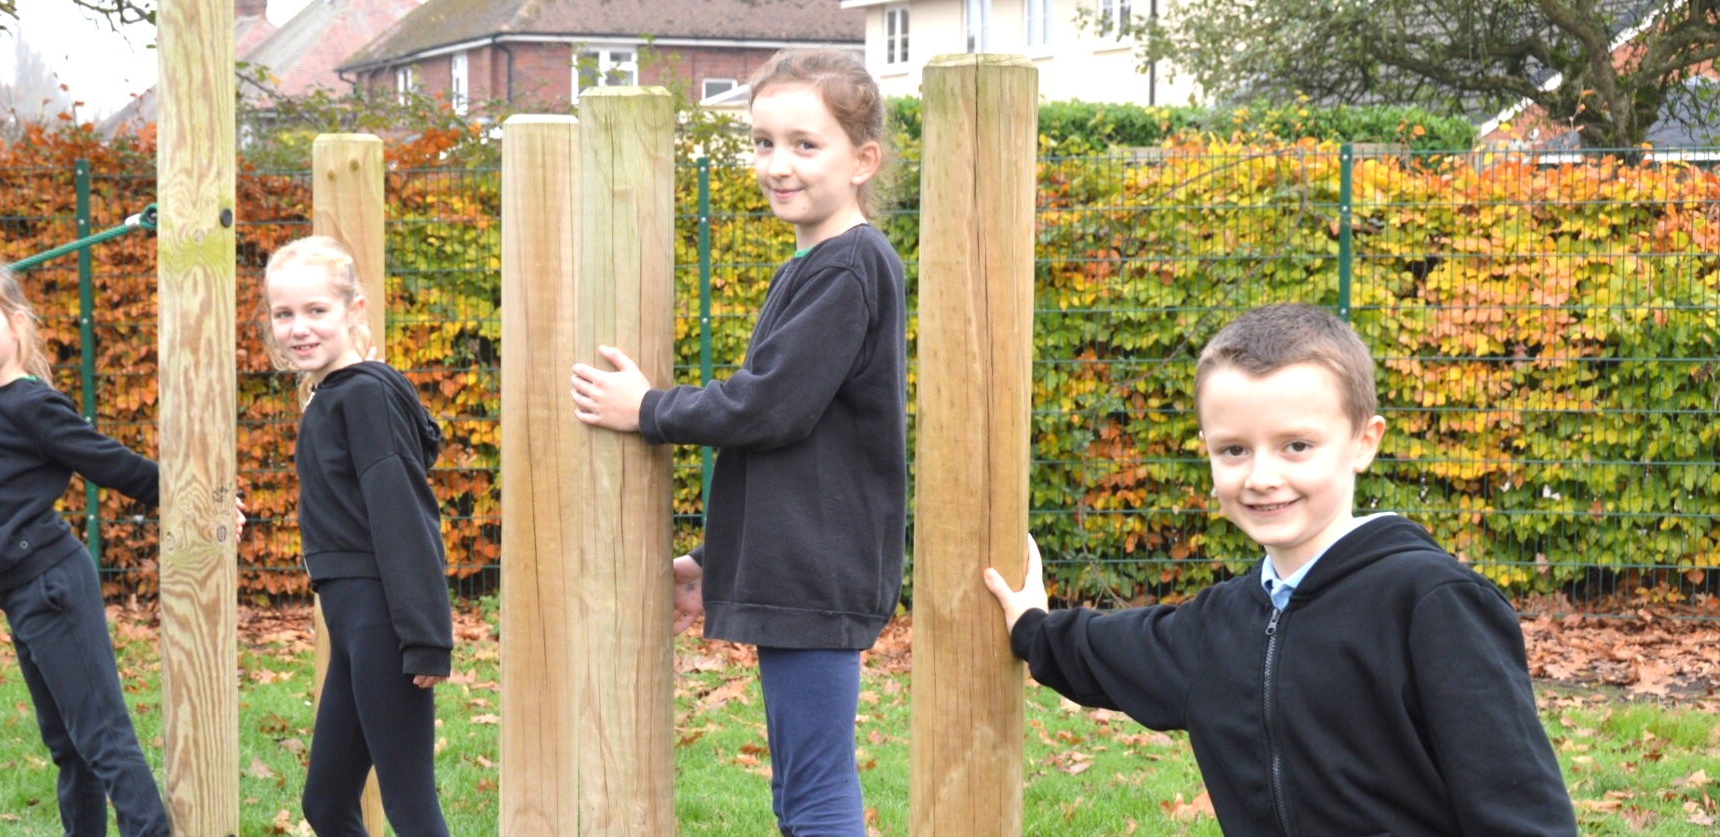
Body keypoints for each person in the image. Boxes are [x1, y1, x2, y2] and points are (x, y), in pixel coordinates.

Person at [984, 303, 1577, 836]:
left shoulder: (1432, 603)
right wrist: (1033, 626)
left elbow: (1519, 806)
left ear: (1363, 442)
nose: (1262, 476)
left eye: (1296, 446)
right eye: (1234, 450)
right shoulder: (1217, 627)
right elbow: (1108, 651)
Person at [569, 48, 905, 836]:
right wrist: (717, 561)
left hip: (818, 575)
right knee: (800, 790)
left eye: (804, 144)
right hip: (800, 563)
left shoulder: (849, 268)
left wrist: (648, 408)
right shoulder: (815, 265)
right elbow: (798, 452)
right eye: (762, 143)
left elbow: (769, 409)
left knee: (815, 792)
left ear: (863, 160)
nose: (777, 165)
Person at [0, 260, 240, 837]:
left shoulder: (34, 406)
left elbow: (109, 461)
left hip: (51, 586)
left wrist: (197, 501)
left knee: (102, 736)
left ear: (15, 323)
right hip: (19, 593)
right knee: (69, 746)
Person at [262, 235, 452, 837]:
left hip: (383, 621)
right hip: (351, 621)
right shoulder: (332, 394)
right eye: (283, 314)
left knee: (410, 807)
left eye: (316, 310)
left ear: (355, 312)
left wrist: (424, 637)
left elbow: (403, 514)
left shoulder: (365, 394)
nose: (298, 328)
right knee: (325, 805)